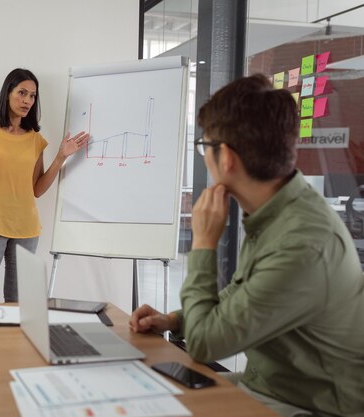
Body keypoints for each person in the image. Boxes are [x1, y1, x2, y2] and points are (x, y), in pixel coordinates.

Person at [130, 74, 364, 417]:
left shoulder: (302, 244)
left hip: (307, 406)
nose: (204, 156)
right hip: (267, 387)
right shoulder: (281, 211)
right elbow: (246, 295)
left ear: (225, 158)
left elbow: (204, 344)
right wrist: (175, 320)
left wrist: (204, 242)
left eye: (204, 147)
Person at [0, 68, 88, 303]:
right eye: (22, 93)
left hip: (27, 230)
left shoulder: (34, 139)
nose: (27, 100)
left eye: (32, 96)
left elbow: (36, 189)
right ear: (8, 93)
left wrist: (61, 157)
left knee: (19, 305)